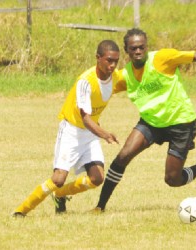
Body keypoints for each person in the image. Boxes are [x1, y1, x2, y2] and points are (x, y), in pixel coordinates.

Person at [94, 28, 196, 212]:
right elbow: (100, 93)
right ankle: (100, 207)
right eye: (133, 48)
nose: (138, 51)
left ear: (146, 47)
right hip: (151, 123)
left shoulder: (163, 59)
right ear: (127, 51)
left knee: (172, 179)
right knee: (123, 157)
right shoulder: (124, 76)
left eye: (141, 47)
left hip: (181, 123)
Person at [12, 40, 122, 217]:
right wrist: (105, 134)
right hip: (72, 131)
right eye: (109, 60)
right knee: (58, 179)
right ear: (98, 58)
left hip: (91, 134)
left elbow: (129, 82)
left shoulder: (115, 76)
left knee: (97, 178)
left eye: (116, 61)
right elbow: (85, 118)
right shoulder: (85, 81)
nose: (112, 65)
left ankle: (61, 195)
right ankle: (21, 211)